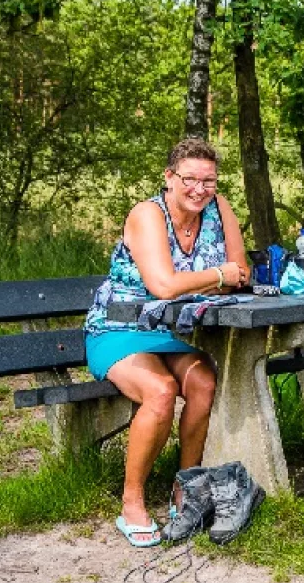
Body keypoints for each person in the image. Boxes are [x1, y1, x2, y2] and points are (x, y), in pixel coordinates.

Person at [84, 138, 250, 546]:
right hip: (117, 329)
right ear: (169, 177)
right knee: (160, 391)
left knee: (203, 381)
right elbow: (162, 285)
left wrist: (220, 277)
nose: (199, 189)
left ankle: (186, 487)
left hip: (169, 331)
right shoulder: (147, 215)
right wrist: (217, 276)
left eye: (208, 180)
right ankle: (133, 502)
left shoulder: (219, 207)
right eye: (189, 179)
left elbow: (241, 272)